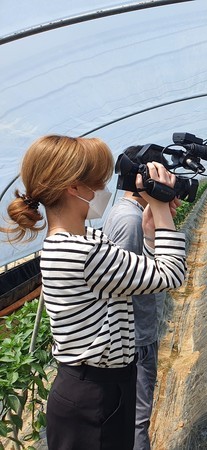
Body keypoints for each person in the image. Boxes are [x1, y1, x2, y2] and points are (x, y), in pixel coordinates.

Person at [1, 135, 187, 450]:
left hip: (105, 385)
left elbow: (142, 275)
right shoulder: (78, 250)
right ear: (74, 188)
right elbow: (171, 274)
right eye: (98, 182)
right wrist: (161, 205)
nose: (104, 189)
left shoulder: (88, 239)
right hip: (93, 395)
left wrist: (149, 232)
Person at [103, 146, 175, 450]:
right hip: (135, 340)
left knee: (133, 417)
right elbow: (141, 280)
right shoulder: (130, 220)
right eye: (160, 175)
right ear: (142, 179)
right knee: (137, 420)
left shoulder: (127, 213)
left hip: (135, 335)